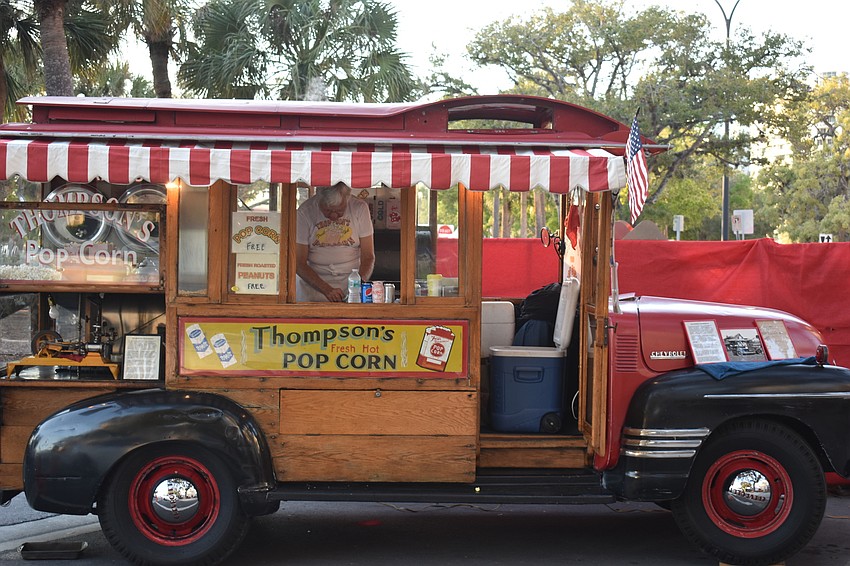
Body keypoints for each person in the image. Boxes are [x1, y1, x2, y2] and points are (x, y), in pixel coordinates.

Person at [296, 183, 375, 302]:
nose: (333, 215)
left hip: (351, 283)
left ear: (347, 198)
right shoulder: (305, 212)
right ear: (318, 199)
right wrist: (326, 289)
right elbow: (298, 262)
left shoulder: (359, 208)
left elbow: (368, 256)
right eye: (327, 210)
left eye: (339, 210)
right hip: (313, 286)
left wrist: (357, 287)